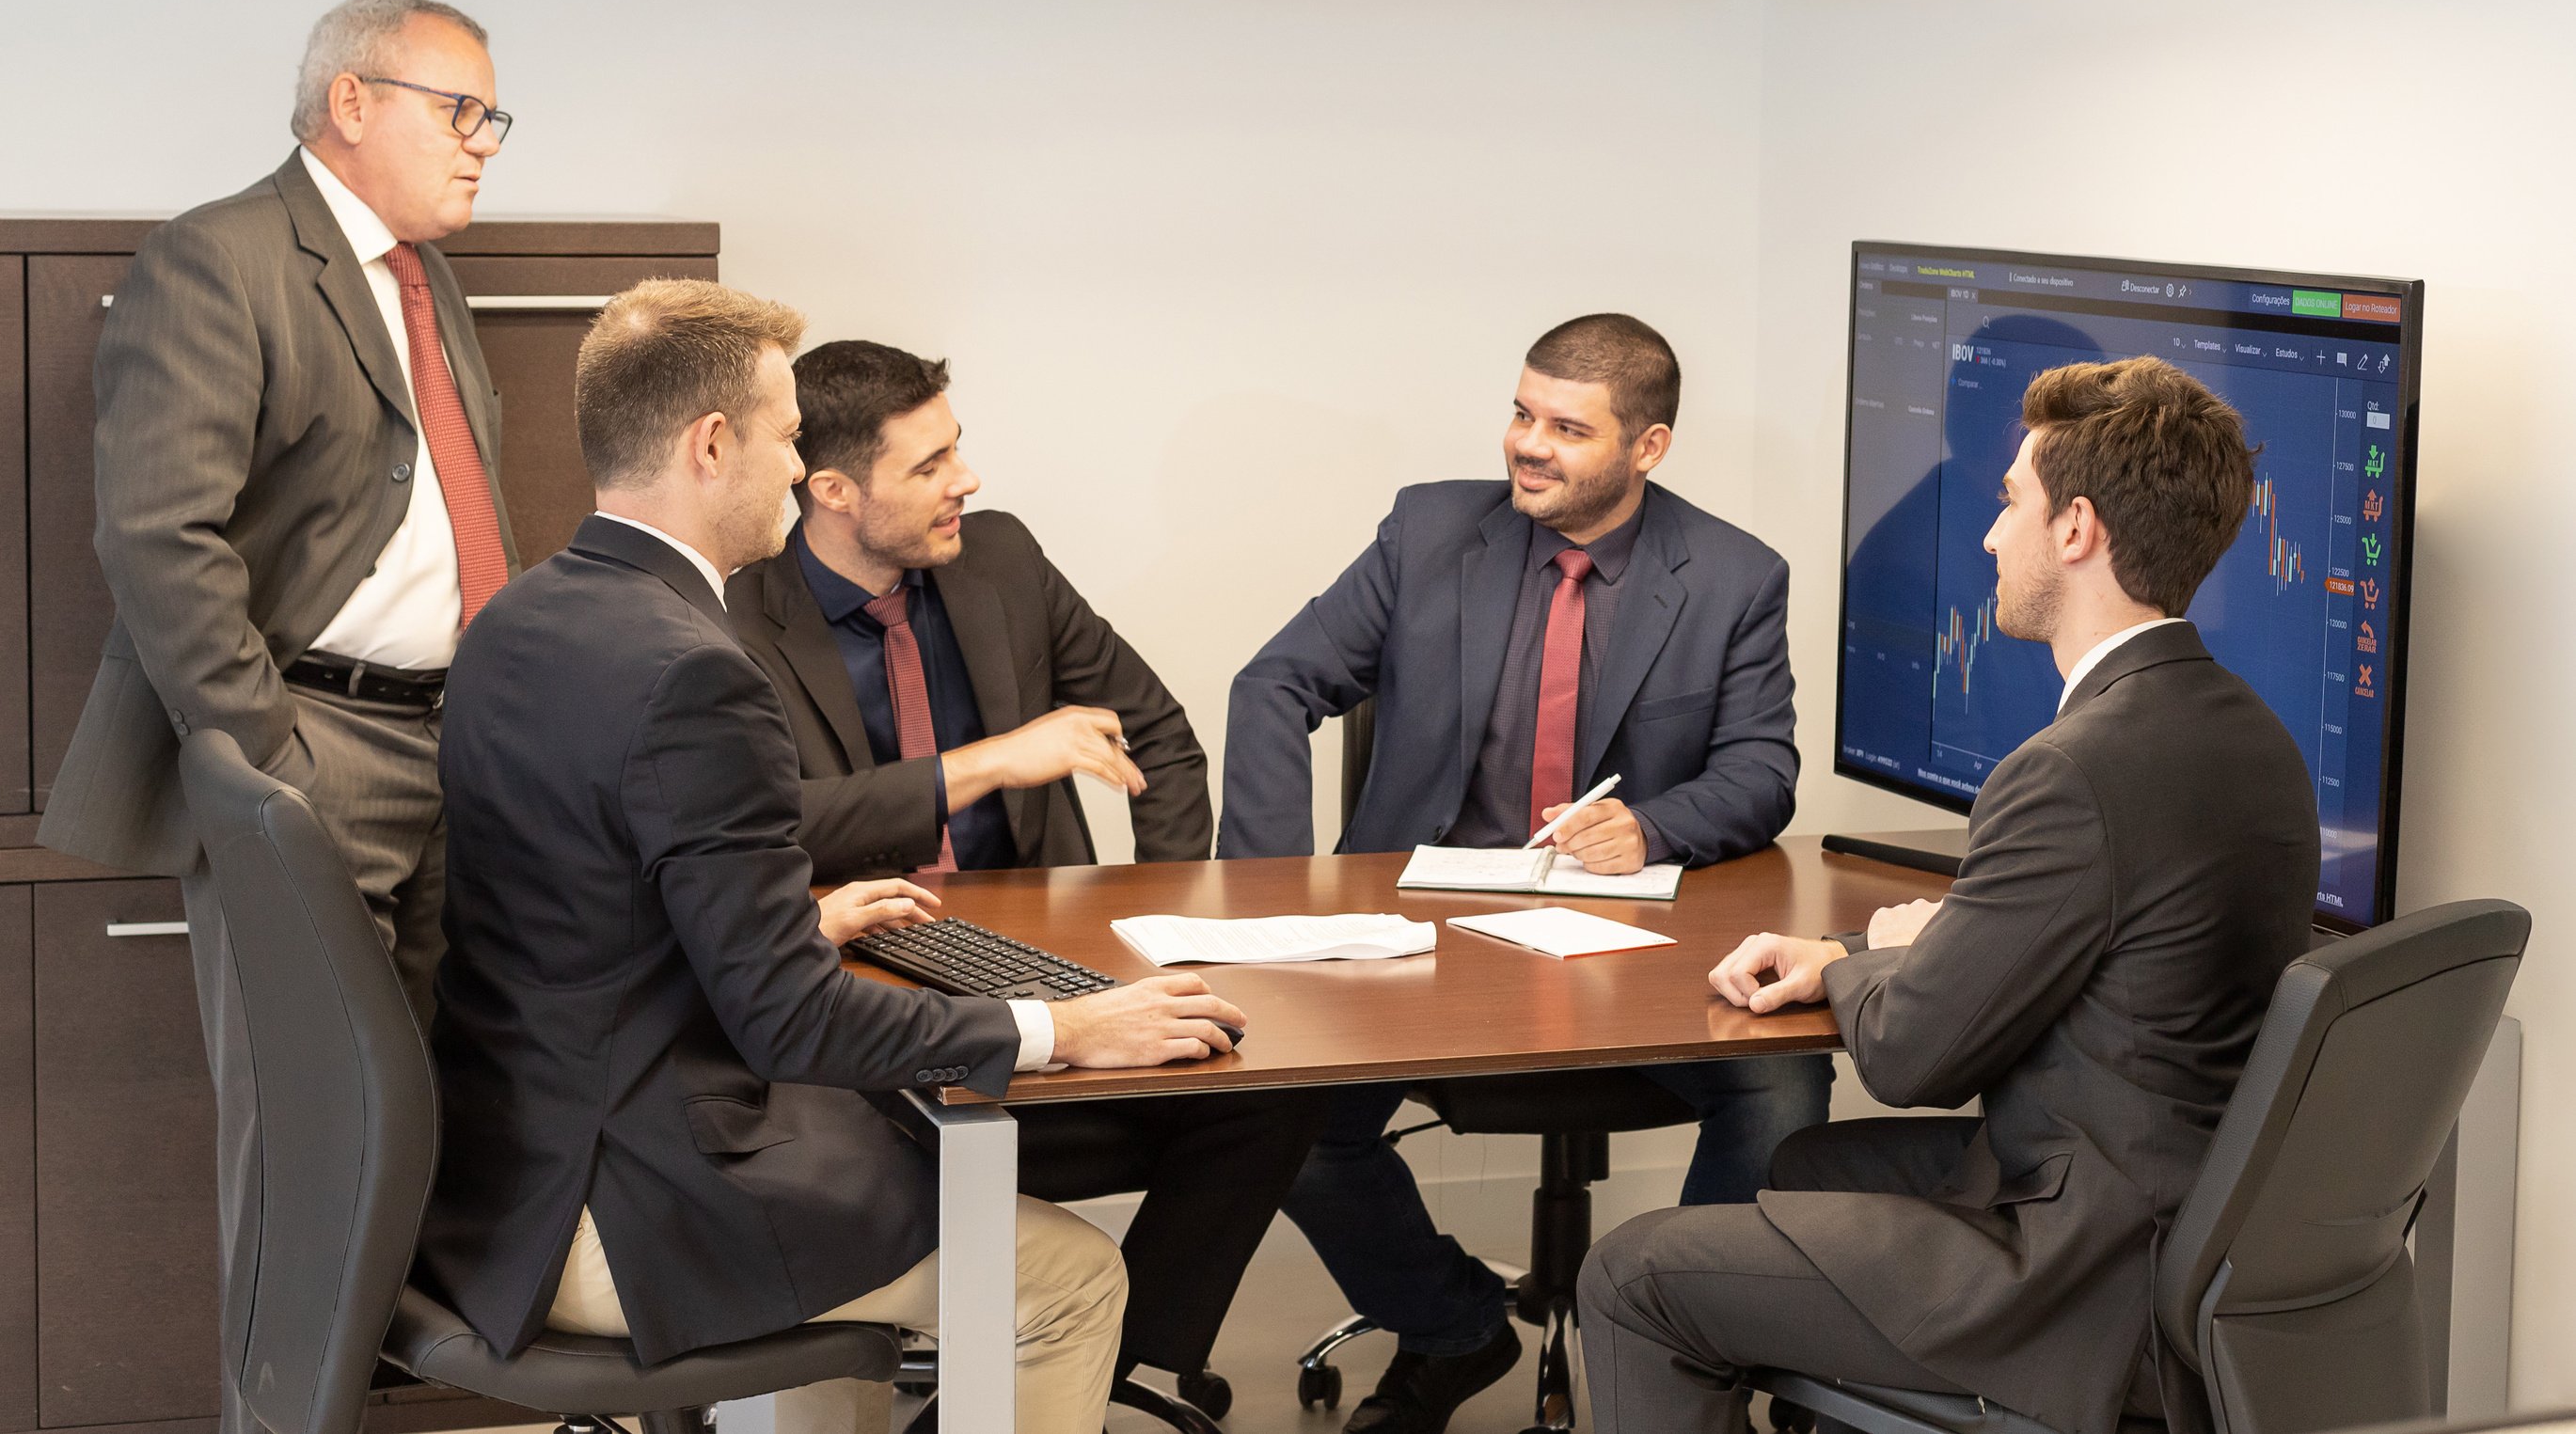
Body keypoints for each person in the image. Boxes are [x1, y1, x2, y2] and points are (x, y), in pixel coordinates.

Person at [419, 280, 1249, 1434]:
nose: (796, 465)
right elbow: (790, 1022)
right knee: (1071, 1282)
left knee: (870, 1156)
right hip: (623, 1201)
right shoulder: (694, 670)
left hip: (497, 1180)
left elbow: (578, 902)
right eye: (786, 435)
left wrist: (790, 920)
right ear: (714, 445)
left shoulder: (516, 617)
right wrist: (1064, 1028)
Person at [1577, 355, 2321, 1434]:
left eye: (2010, 503)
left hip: (2081, 1276)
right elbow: (2055, 954)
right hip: (2188, 1223)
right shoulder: (2254, 735)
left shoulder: (2070, 771)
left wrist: (1890, 953)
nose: (1989, 537)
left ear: (2076, 529)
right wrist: (1854, 956)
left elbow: (1909, 1061)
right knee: (1805, 1163)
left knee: (1632, 1275)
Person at [40, 0, 517, 1434]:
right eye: (461, 110)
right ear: (351, 101)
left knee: (426, 1123)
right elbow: (158, 535)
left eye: (493, 118)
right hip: (315, 746)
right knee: (308, 1141)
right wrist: (272, 754)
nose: (485, 143)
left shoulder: (426, 283)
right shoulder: (221, 256)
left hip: (456, 747)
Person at [1218, 313, 1830, 1434]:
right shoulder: (1429, 531)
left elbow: (1762, 770)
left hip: (1626, 943)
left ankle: (1685, 1358)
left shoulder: (1734, 576)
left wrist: (1652, 824)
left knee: (1782, 1085)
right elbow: (1276, 683)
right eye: (1521, 414)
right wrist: (1269, 896)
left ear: (1648, 447)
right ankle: (1452, 1326)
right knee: (1277, 1120)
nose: (1528, 446)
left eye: (1567, 429)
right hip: (1421, 930)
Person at [728, 339, 1324, 1403]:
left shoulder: (999, 558)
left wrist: (1162, 919)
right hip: (871, 1004)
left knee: (1262, 1087)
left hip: (1038, 965)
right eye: (928, 465)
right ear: (832, 491)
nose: (966, 480)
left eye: (956, 448)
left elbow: (1158, 737)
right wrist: (985, 764)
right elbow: (770, 821)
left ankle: (1103, 1367)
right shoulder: (739, 612)